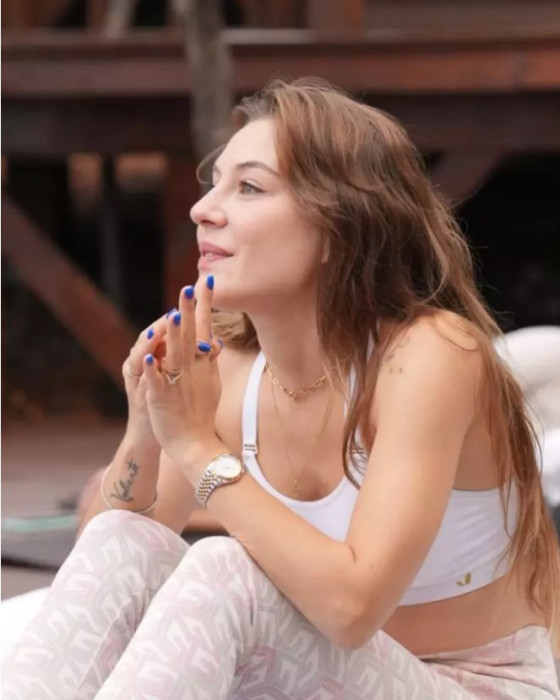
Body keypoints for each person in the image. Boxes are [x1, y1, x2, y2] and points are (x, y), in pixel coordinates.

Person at [3, 78, 559, 699]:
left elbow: (352, 609)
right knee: (122, 536)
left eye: (248, 187)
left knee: (226, 569)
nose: (203, 209)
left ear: (339, 226)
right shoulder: (231, 367)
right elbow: (110, 556)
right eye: (214, 183)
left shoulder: (428, 355)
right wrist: (148, 426)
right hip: (302, 681)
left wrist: (197, 447)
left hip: (470, 686)